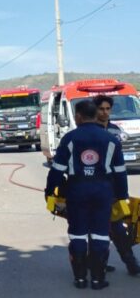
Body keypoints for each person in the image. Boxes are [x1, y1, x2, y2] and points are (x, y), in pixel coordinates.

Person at [45, 100, 129, 290]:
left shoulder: (69, 138)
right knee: (100, 235)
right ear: (95, 114)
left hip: (77, 193)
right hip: (103, 193)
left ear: (79, 116)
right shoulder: (111, 140)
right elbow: (120, 172)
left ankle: (81, 279)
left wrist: (50, 191)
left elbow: (57, 170)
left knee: (77, 234)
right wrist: (122, 196)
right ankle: (98, 279)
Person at [93, 95, 140, 275]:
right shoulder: (88, 131)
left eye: (107, 109)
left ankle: (130, 262)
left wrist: (123, 193)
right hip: (94, 188)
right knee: (98, 230)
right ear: (95, 110)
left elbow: (120, 165)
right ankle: (100, 264)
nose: (104, 112)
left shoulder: (115, 131)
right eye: (101, 109)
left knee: (118, 228)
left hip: (113, 188)